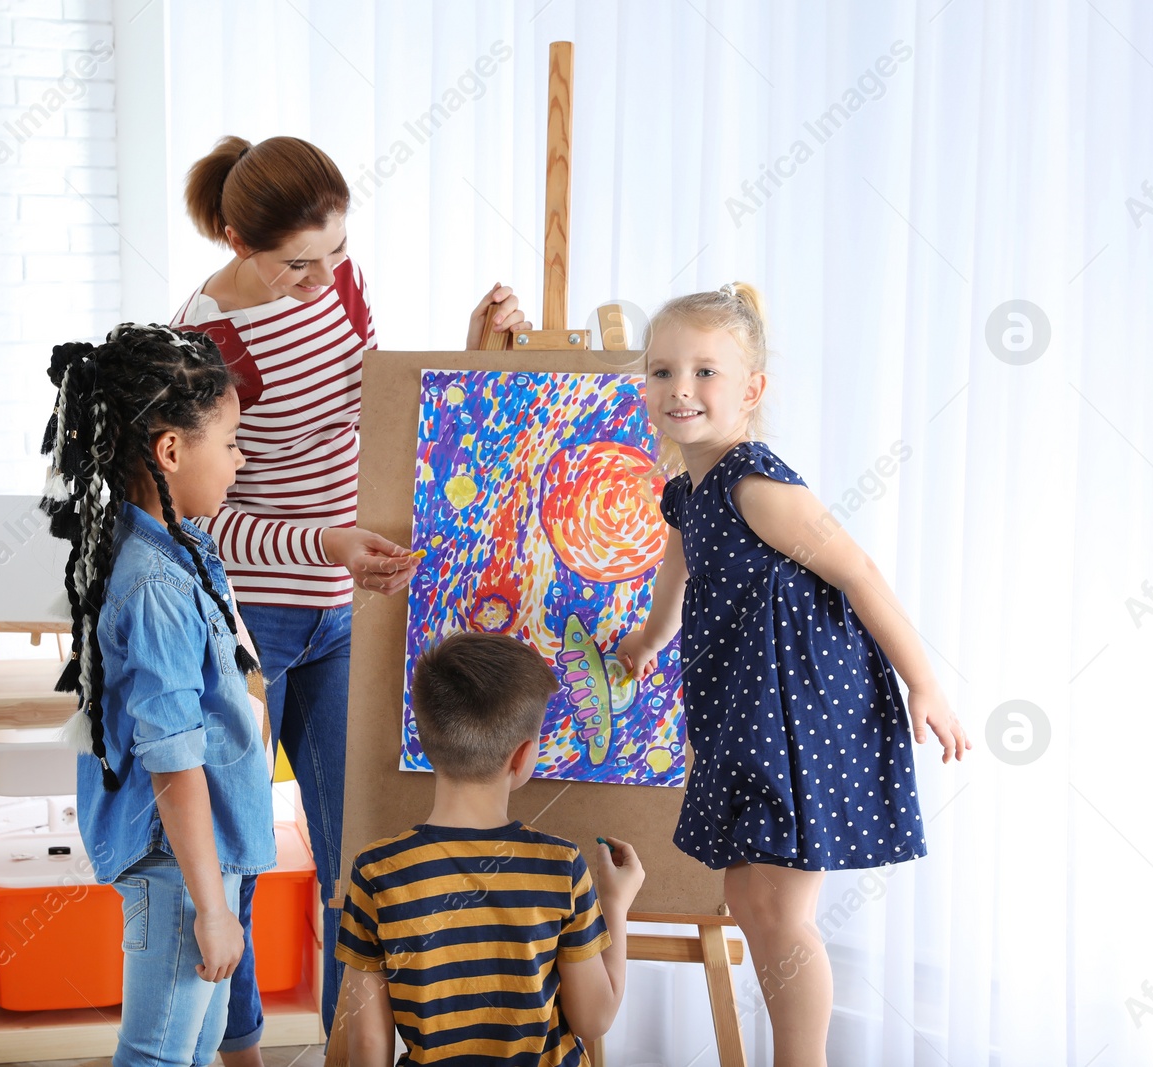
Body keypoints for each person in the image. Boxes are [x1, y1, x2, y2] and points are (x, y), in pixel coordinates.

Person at [173, 133, 532, 1054]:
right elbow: (202, 518)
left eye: (335, 252)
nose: (324, 275)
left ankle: (353, 1043)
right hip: (253, 619)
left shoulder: (338, 277)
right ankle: (240, 1043)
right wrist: (321, 540)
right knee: (242, 853)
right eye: (300, 263)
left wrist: (467, 352)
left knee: (356, 854)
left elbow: (365, 403)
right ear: (234, 239)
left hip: (345, 606)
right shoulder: (204, 339)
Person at [614, 283, 972, 1067]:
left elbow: (860, 573)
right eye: (663, 370)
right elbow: (676, 583)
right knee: (750, 897)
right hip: (744, 706)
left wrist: (926, 681)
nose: (681, 389)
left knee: (776, 908)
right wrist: (646, 642)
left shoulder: (754, 483)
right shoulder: (688, 492)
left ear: (753, 389)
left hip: (801, 709)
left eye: (706, 371)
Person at [41, 324, 275, 1067]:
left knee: (194, 1051)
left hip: (200, 859)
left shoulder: (170, 549)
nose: (242, 459)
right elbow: (174, 765)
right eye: (232, 442)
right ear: (171, 451)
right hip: (179, 867)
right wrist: (212, 907)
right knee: (159, 1056)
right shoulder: (155, 585)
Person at [336, 631, 645, 1066]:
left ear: (424, 741)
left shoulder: (375, 872)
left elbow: (368, 1048)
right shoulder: (561, 867)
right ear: (522, 757)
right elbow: (595, 1019)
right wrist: (615, 903)